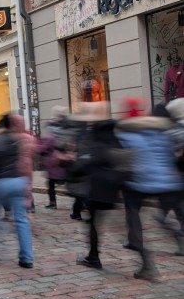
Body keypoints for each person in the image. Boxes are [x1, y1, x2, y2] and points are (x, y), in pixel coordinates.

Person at [114, 100, 182, 279]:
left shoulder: (127, 135)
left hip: (139, 182)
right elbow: (171, 155)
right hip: (167, 181)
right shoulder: (161, 133)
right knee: (162, 216)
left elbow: (120, 160)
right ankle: (178, 237)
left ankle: (147, 264)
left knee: (133, 217)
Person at [67, 102, 127, 272]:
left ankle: (94, 257)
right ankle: (142, 256)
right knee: (110, 225)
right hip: (112, 187)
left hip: (96, 187)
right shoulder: (113, 132)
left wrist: (74, 172)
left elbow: (89, 159)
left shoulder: (94, 133)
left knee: (94, 223)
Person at [0, 114, 35, 269]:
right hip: (19, 183)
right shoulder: (22, 140)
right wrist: (28, 189)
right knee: (21, 220)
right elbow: (26, 165)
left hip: (0, 183)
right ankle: (27, 258)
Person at [39, 106, 72, 209]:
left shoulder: (50, 137)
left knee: (51, 184)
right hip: (66, 163)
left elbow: (43, 149)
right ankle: (81, 203)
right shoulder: (67, 133)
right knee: (70, 183)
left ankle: (53, 203)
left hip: (54, 164)